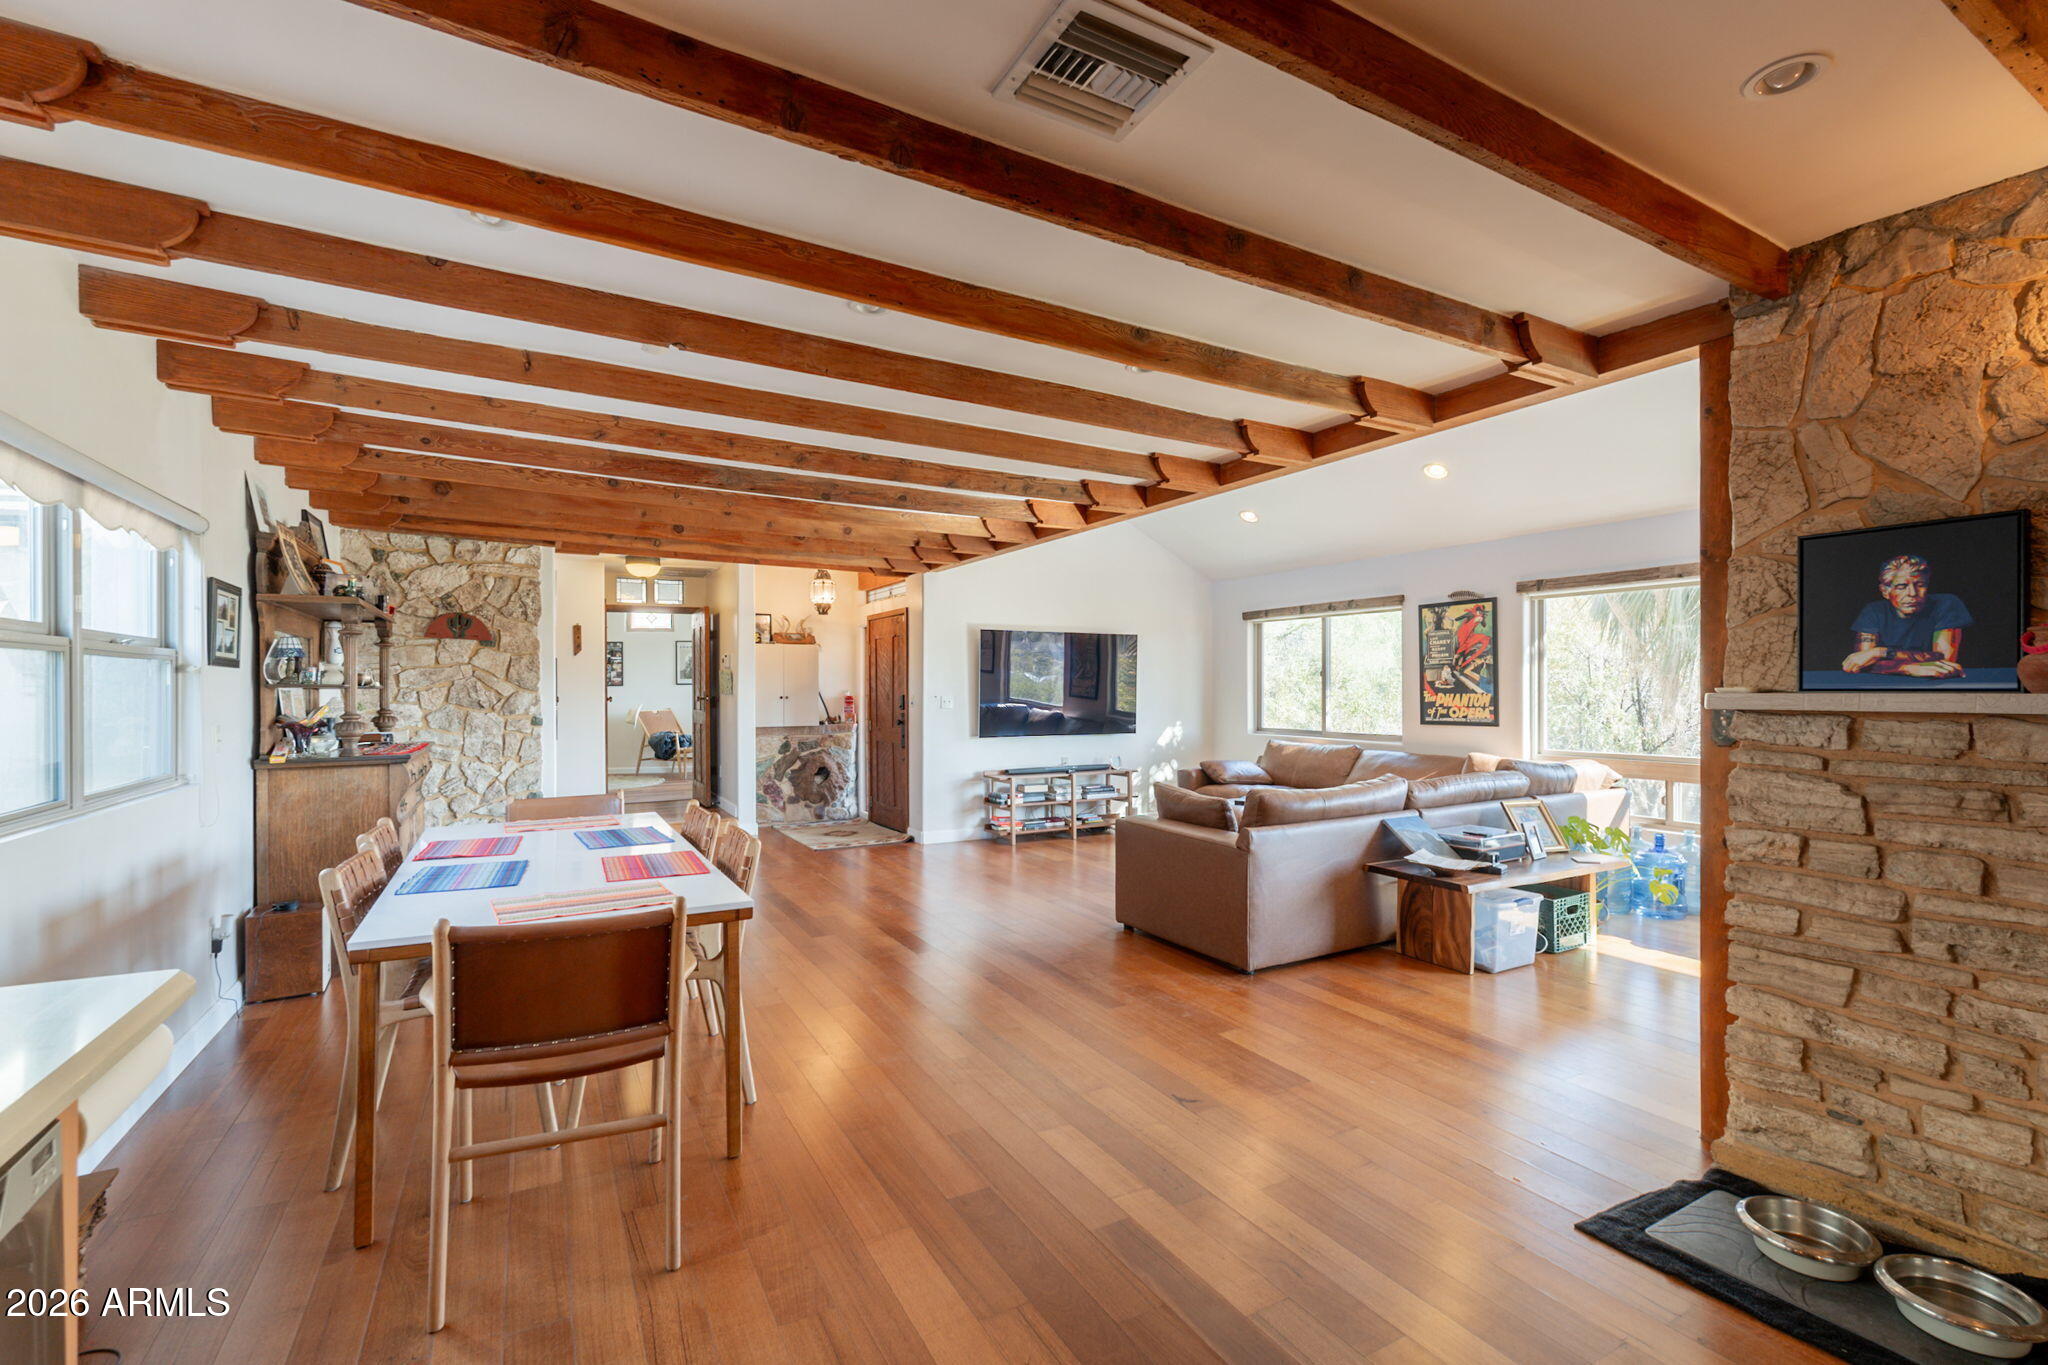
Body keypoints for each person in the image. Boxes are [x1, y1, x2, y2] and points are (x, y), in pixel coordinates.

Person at [1841, 554, 1971, 678]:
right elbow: (1861, 663)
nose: (1912, 593)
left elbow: (1944, 661)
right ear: (1885, 591)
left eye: (1920, 585)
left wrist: (1881, 652)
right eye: (1901, 586)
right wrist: (1908, 668)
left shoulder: (1946, 604)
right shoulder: (1873, 611)